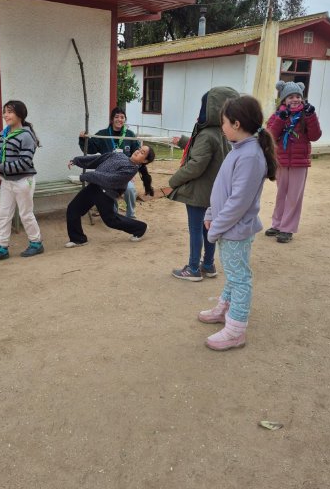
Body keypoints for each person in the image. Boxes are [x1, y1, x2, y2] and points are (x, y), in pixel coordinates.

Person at [198, 95, 277, 351]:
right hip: (227, 227)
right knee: (233, 274)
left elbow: (238, 202)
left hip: (234, 230)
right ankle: (224, 309)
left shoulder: (250, 156)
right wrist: (211, 213)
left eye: (223, 122)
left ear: (236, 123)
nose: (221, 127)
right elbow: (222, 189)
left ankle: (236, 330)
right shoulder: (240, 149)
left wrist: (216, 227)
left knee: (239, 277)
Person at [168, 86, 240, 281]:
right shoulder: (224, 133)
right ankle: (208, 264)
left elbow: (196, 165)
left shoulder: (207, 134)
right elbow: (209, 153)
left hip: (199, 192)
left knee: (196, 230)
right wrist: (184, 141)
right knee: (209, 227)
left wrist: (173, 181)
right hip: (215, 192)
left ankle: (193, 268)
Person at [0, 100, 44, 263]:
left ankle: (36, 243)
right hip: (7, 181)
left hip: (24, 181)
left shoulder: (26, 136)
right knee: (4, 214)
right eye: (4, 112)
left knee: (25, 214)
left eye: (10, 112)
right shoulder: (3, 134)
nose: (5, 115)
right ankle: (1, 247)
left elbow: (24, 163)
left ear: (20, 114)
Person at [265, 81, 322, 243]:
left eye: (298, 96)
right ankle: (277, 224)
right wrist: (280, 119)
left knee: (293, 197)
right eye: (291, 97)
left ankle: (287, 228)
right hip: (282, 161)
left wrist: (311, 116)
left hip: (300, 162)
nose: (295, 99)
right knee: (281, 194)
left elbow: (315, 136)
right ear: (284, 100)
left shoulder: (306, 115)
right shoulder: (278, 115)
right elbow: (270, 135)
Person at [65, 145, 155, 247]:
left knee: (111, 220)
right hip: (94, 186)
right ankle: (78, 239)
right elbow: (98, 159)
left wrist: (83, 177)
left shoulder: (131, 169)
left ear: (145, 161)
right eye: (139, 149)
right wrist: (77, 160)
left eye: (142, 153)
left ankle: (141, 228)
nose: (138, 151)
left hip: (105, 193)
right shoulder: (119, 155)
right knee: (73, 209)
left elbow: (109, 179)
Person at [79, 107, 154, 218]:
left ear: (125, 119)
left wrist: (132, 172)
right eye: (116, 117)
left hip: (125, 172)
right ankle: (113, 213)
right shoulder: (103, 134)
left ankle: (131, 215)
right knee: (108, 191)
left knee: (130, 189)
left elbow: (139, 156)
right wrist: (83, 139)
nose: (119, 119)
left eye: (122, 117)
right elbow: (90, 148)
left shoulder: (129, 135)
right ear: (112, 119)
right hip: (107, 172)